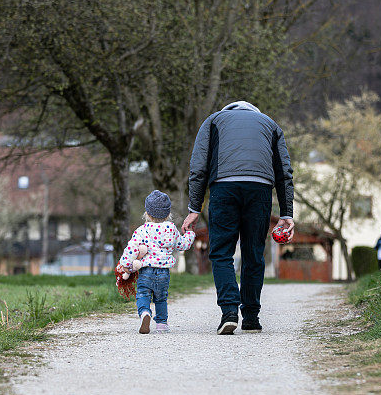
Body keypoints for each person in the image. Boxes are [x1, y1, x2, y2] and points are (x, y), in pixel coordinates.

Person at [182, 101, 295, 335]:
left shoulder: (213, 121)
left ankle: (229, 312)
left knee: (222, 251)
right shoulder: (271, 125)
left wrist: (194, 207)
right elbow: (284, 172)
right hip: (260, 189)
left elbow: (198, 166)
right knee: (254, 252)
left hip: (224, 187)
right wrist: (286, 213)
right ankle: (251, 317)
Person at [119, 190, 195, 334]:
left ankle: (145, 313)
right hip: (163, 273)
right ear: (168, 214)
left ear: (147, 213)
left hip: (146, 270)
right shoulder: (171, 229)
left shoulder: (142, 230)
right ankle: (161, 324)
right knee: (161, 298)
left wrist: (125, 265)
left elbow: (131, 249)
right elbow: (182, 245)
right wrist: (190, 234)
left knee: (142, 294)